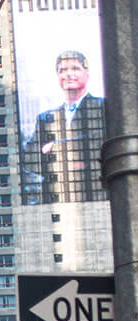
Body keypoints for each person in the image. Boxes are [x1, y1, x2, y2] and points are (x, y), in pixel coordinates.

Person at [22, 49, 106, 205]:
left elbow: (100, 143)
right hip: (59, 201)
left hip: (96, 197)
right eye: (63, 70)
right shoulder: (46, 118)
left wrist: (56, 148)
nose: (68, 74)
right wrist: (72, 161)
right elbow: (29, 158)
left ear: (87, 74)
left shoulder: (103, 107)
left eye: (75, 68)